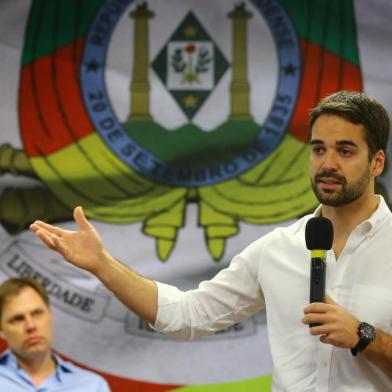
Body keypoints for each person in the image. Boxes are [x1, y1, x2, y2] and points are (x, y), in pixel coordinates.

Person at [30, 91, 392, 391]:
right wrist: (102, 264)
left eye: (345, 151)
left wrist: (364, 336)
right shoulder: (277, 249)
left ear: (377, 162)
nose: (327, 163)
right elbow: (186, 316)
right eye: (318, 149)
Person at [0, 277, 111, 391]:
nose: (31, 326)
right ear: (1, 330)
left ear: (49, 315)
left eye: (37, 313)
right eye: (18, 319)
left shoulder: (92, 386)